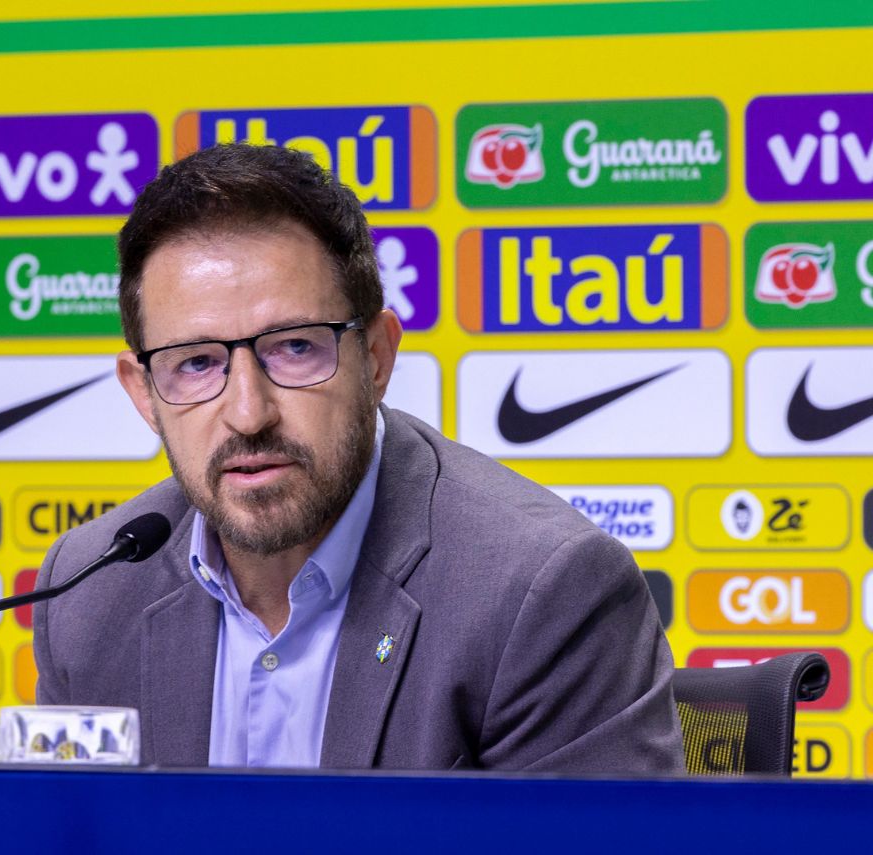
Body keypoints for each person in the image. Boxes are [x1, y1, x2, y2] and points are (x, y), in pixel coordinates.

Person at [33, 143, 685, 773]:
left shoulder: (538, 591)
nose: (249, 413)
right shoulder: (88, 595)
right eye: (196, 363)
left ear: (376, 358)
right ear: (144, 393)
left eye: (295, 348)